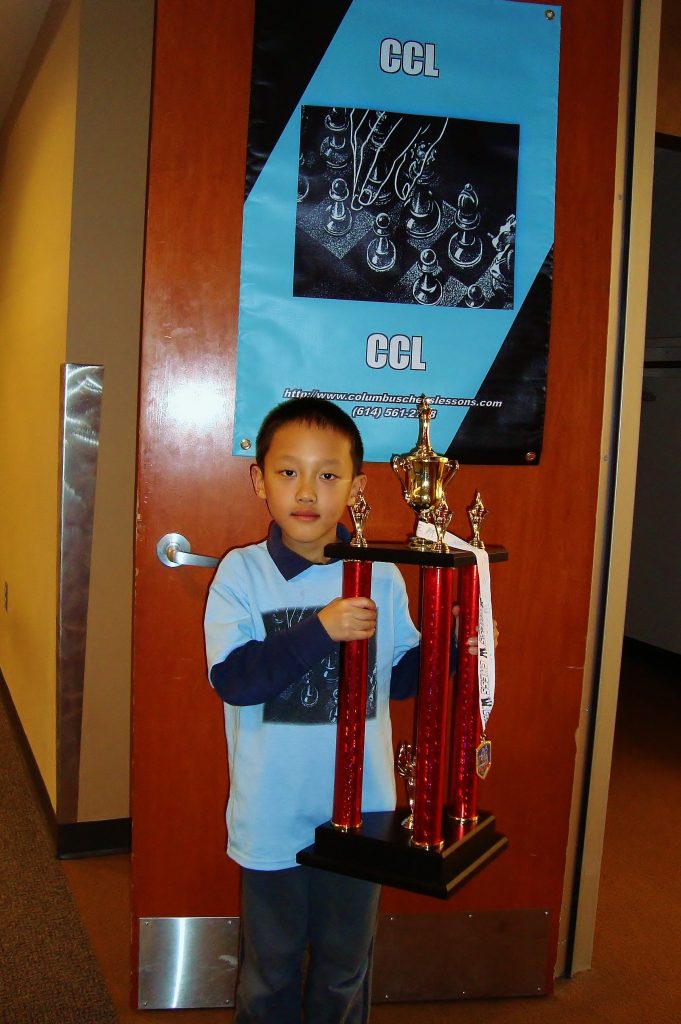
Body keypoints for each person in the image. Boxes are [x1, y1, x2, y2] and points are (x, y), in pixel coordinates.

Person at [204, 397, 468, 1024]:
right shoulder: (241, 574)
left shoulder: (380, 574)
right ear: (258, 479)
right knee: (269, 969)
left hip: (362, 817)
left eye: (328, 475)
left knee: (345, 968)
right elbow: (237, 680)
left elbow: (401, 681)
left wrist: (458, 645)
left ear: (357, 488)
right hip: (271, 815)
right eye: (287, 471)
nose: (306, 491)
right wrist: (321, 629)